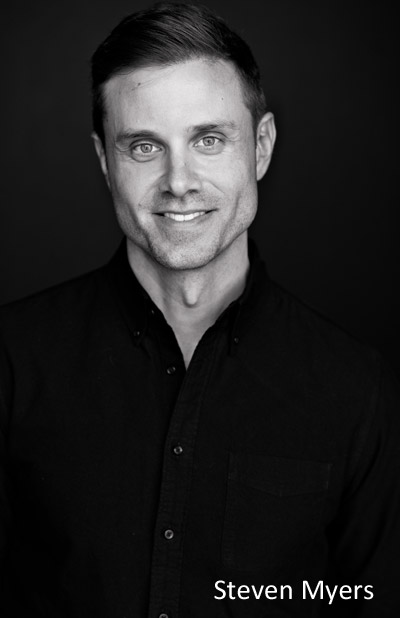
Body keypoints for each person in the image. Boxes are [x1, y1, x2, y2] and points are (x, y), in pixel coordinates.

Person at [0, 3, 399, 616]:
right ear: (105, 162)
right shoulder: (13, 359)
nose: (179, 181)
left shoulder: (356, 388)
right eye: (143, 147)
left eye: (209, 140)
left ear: (260, 147)